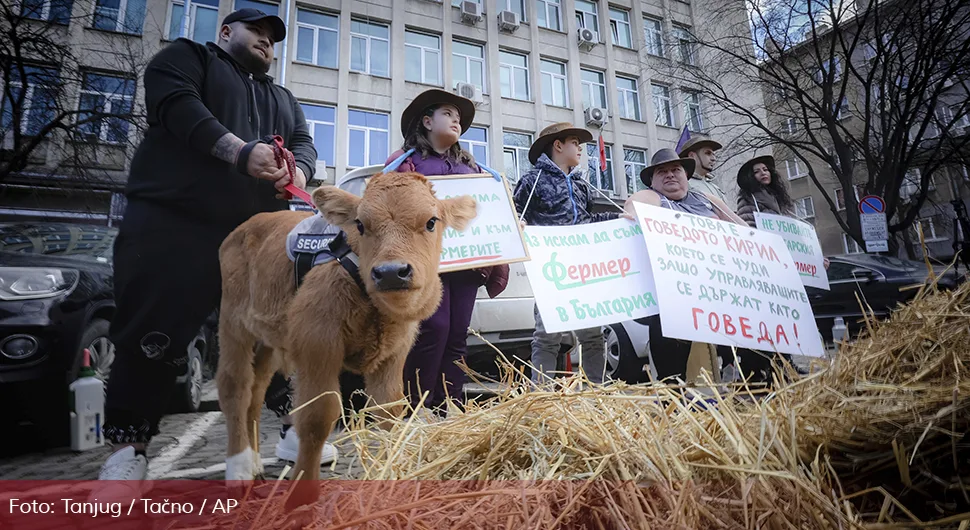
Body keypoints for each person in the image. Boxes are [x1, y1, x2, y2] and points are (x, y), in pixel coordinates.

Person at [97, 9, 336, 484]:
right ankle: (129, 449)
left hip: (257, 234)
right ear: (226, 32)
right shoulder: (186, 58)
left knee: (280, 330)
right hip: (175, 221)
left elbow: (305, 143)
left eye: (273, 38)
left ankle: (294, 428)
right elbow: (177, 104)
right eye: (258, 32)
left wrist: (299, 172)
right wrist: (240, 151)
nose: (267, 43)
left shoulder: (282, 97)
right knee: (153, 330)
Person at [384, 88, 509, 414]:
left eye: (459, 118)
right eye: (448, 114)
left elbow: (489, 211)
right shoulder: (403, 164)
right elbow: (387, 210)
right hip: (426, 267)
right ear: (426, 121)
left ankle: (449, 405)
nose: (456, 120)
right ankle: (416, 405)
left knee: (456, 334)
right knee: (431, 330)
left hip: (466, 266)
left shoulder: (473, 169)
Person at [512, 122, 625, 385]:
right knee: (547, 335)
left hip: (584, 267)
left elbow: (588, 220)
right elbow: (515, 213)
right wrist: (517, 223)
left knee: (593, 334)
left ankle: (594, 391)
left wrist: (621, 218)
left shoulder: (583, 185)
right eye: (575, 142)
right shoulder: (532, 181)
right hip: (551, 269)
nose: (580, 149)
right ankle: (541, 397)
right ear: (558, 145)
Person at [624, 148, 747, 384]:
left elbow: (744, 230)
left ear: (686, 175)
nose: (670, 175)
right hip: (674, 296)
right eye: (662, 171)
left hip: (717, 291)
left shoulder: (708, 200)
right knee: (672, 358)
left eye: (675, 170)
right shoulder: (653, 199)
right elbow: (634, 203)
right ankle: (673, 399)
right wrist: (628, 214)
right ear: (652, 180)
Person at [736, 155, 795, 227]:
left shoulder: (781, 200)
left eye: (765, 169)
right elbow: (748, 226)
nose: (763, 173)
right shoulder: (748, 199)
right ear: (750, 176)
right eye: (757, 171)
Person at [678, 136, 728, 203]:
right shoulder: (683, 185)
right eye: (708, 153)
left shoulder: (714, 186)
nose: (713, 158)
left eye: (713, 154)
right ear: (692, 156)